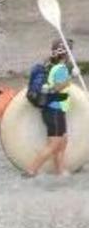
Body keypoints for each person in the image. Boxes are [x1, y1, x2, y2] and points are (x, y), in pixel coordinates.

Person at [25, 40, 75, 178]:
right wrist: (71, 78)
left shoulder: (52, 66)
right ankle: (31, 170)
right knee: (54, 144)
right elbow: (56, 88)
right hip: (54, 110)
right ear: (66, 54)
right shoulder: (60, 68)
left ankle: (60, 170)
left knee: (62, 140)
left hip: (55, 109)